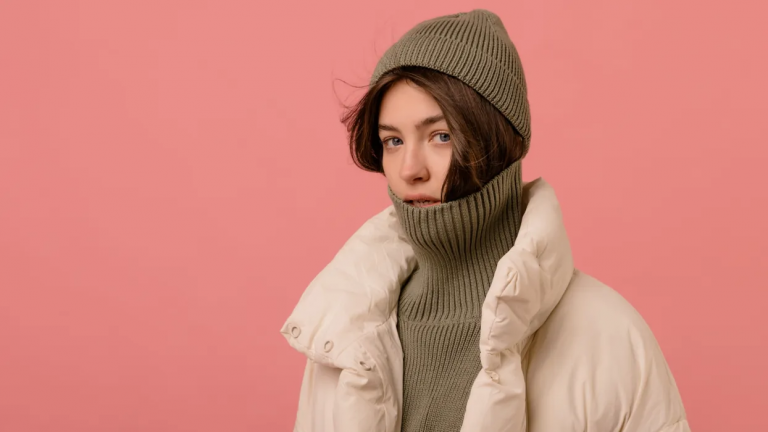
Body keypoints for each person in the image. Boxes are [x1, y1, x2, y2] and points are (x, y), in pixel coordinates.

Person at [280, 8, 690, 432]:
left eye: (441, 136)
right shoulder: (343, 330)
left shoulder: (608, 334)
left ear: (501, 140)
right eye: (393, 141)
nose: (409, 169)